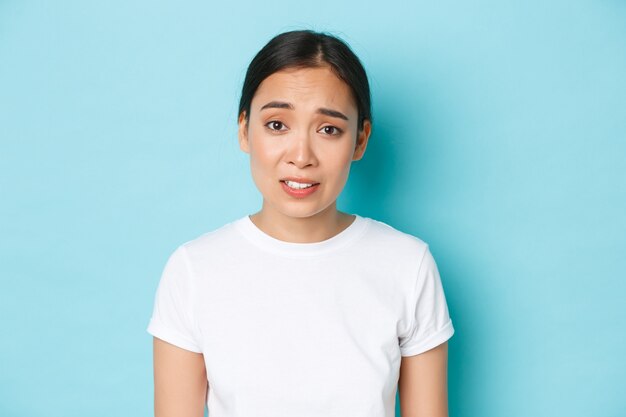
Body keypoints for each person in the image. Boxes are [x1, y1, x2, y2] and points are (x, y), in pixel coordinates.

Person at [147, 29, 454, 417]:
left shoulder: (408, 265)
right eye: (277, 125)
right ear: (244, 129)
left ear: (360, 140)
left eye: (329, 129)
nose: (301, 155)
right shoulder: (194, 269)